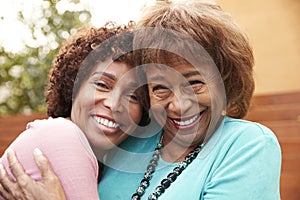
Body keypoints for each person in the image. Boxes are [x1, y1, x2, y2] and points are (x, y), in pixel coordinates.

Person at [0, 1, 281, 200]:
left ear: (225, 80)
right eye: (161, 88)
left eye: (195, 83)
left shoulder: (247, 145)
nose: (179, 105)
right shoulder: (129, 143)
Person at [0, 21, 149, 200]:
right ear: (73, 87)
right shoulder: (64, 136)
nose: (114, 104)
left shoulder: (99, 161)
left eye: (133, 96)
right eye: (102, 85)